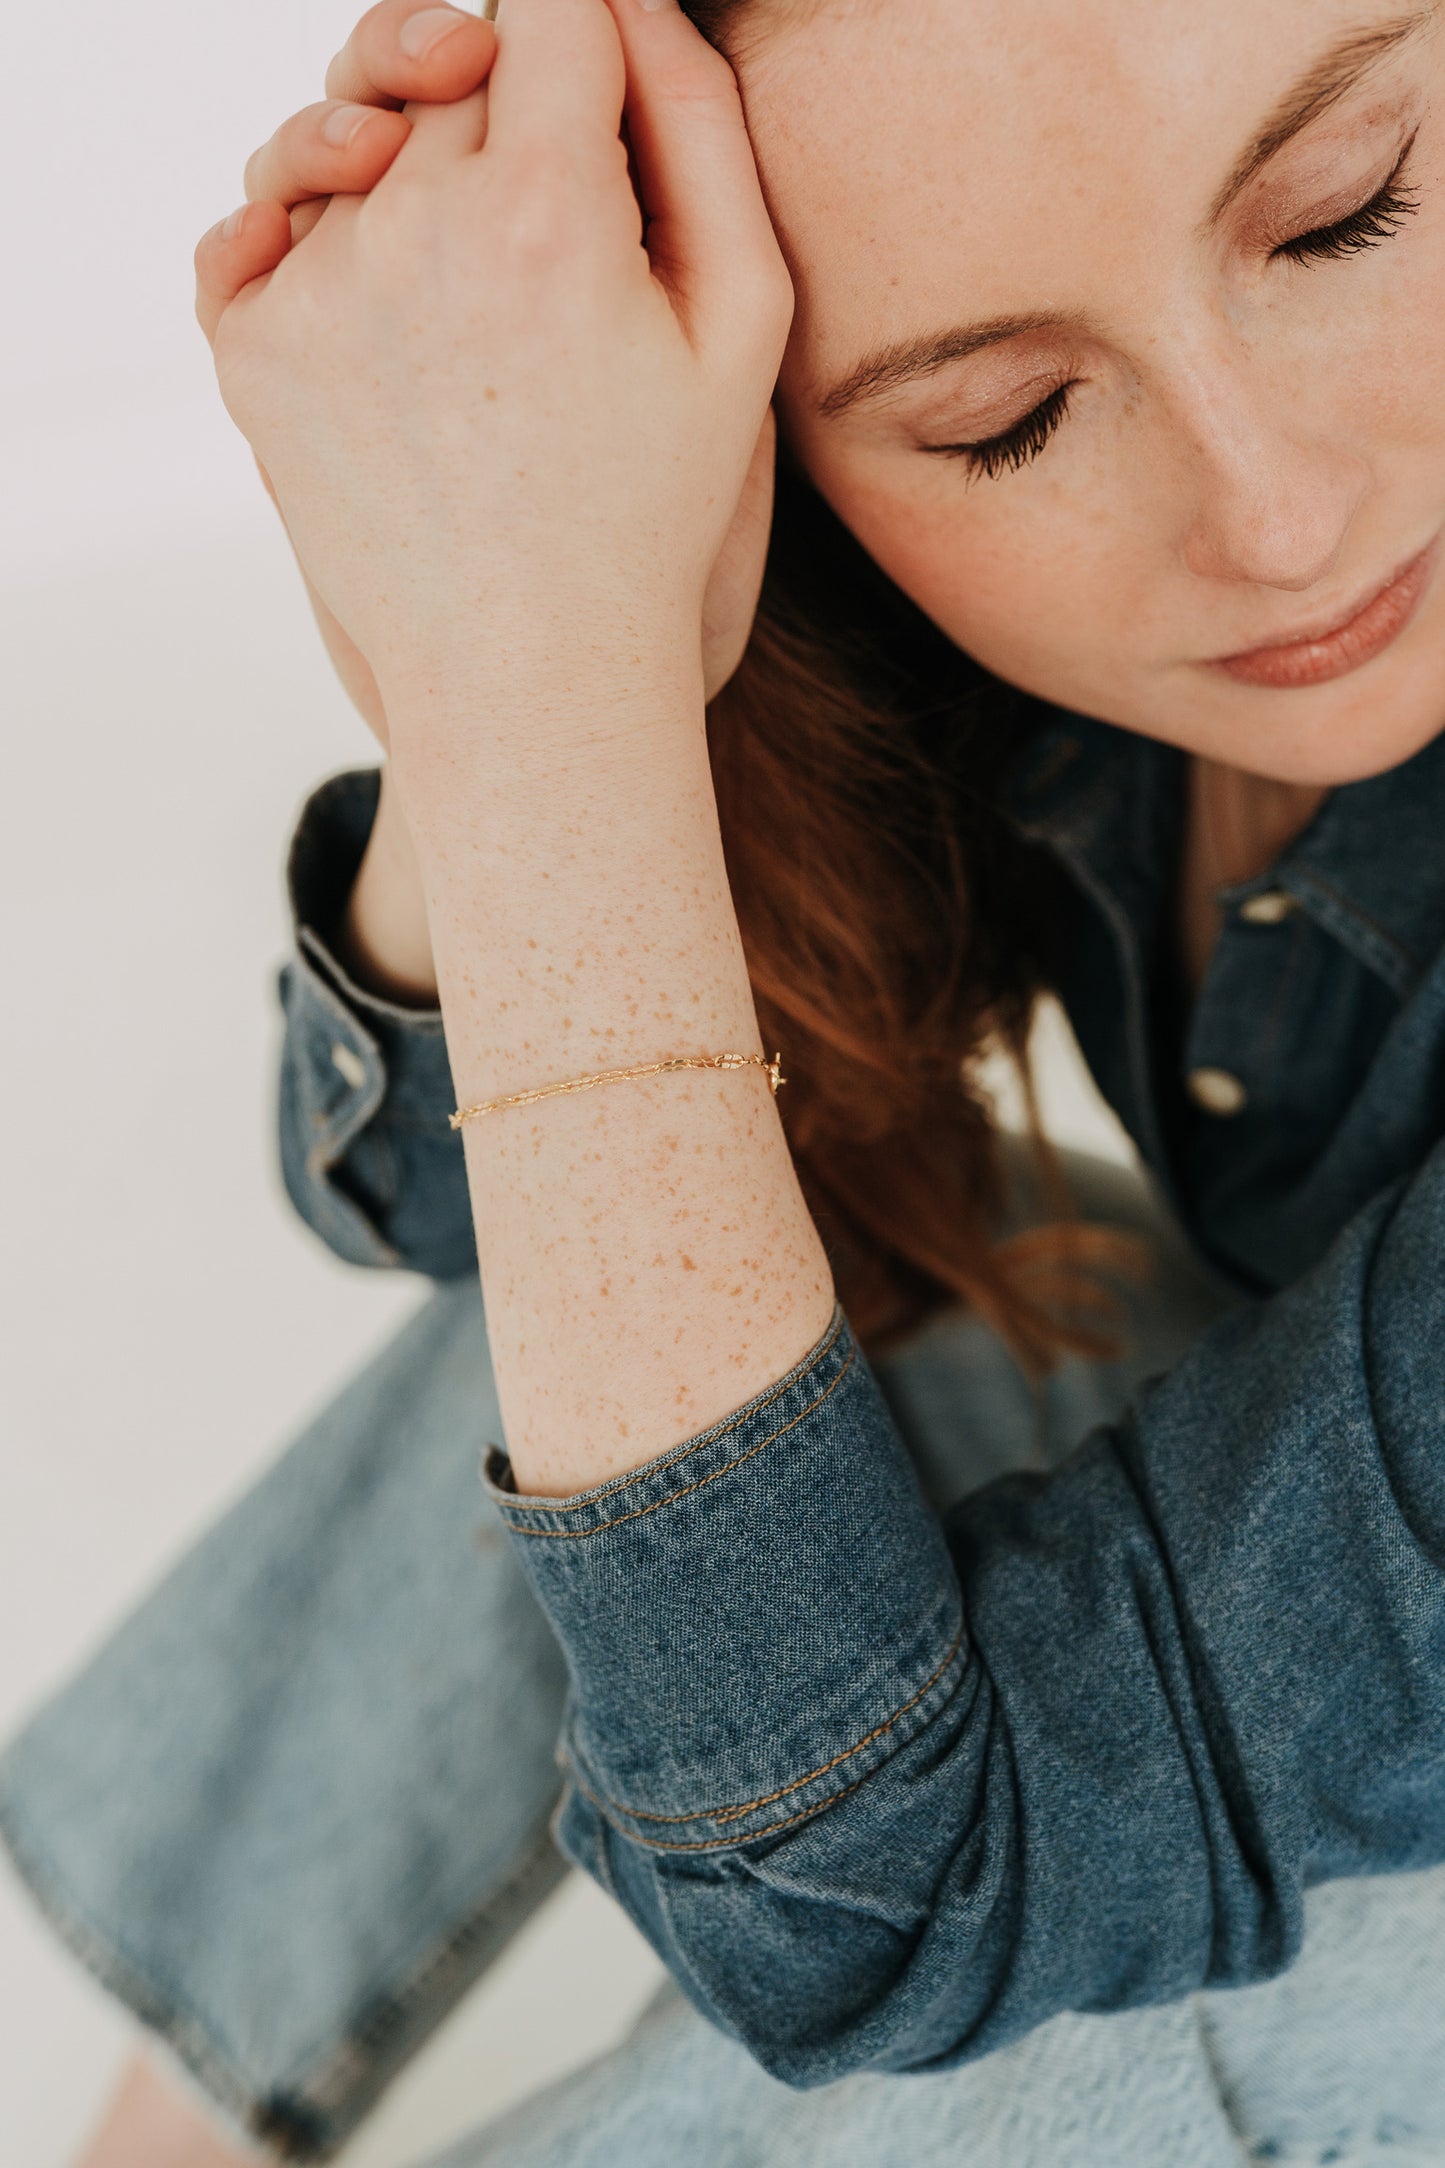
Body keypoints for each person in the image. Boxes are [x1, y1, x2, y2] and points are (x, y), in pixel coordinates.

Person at [8, 0, 1445, 2159]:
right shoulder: (980, 641)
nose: (1281, 510)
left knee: (1081, 2005)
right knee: (694, 1248)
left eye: (1354, 212)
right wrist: (518, 587)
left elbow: (885, 1915)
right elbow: (450, 1202)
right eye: (1007, 417)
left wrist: (530, 677)